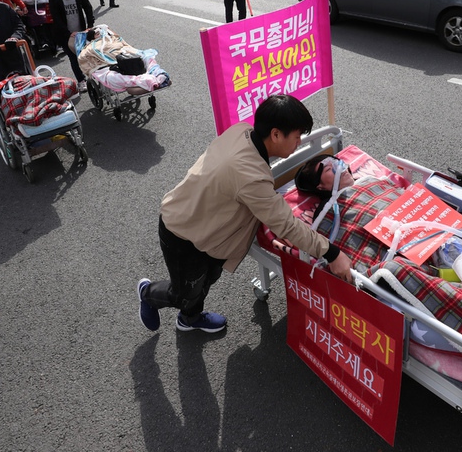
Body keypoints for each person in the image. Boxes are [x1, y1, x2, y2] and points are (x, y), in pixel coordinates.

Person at [137, 95, 355, 333]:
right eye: (296, 136)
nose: (300, 143)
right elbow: (286, 225)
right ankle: (148, 294)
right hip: (183, 231)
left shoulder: (243, 131)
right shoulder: (249, 176)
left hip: (209, 226)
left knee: (206, 278)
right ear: (275, 134)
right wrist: (332, 253)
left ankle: (189, 318)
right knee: (186, 290)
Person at [48, 0, 93, 88]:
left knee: (86, 54)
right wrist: (68, 33)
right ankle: (81, 80)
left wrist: (90, 26)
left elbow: (87, 7)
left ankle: (93, 77)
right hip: (65, 34)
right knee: (73, 58)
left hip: (81, 30)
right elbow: (56, 16)